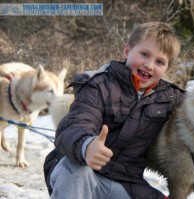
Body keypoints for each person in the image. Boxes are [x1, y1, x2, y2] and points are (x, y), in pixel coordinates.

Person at [43, 21, 185, 199]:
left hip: (127, 182)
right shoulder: (99, 85)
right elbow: (74, 125)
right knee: (76, 171)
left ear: (166, 70)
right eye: (144, 54)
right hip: (84, 170)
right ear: (127, 51)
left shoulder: (171, 99)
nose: (149, 65)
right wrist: (86, 146)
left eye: (160, 62)